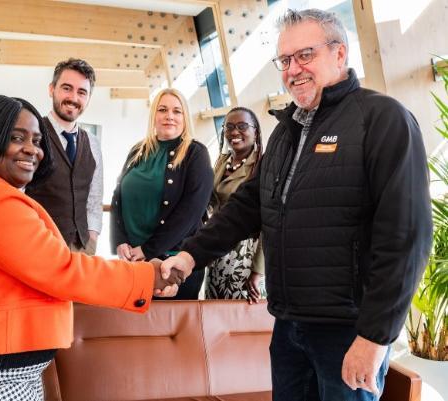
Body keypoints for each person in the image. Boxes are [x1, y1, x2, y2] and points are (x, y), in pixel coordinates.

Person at [161, 8, 432, 401]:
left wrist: (374, 338)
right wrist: (189, 256)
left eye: (305, 55)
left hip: (348, 330)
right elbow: (247, 206)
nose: (293, 69)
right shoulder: (288, 131)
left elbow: (407, 238)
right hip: (288, 325)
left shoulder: (383, 119)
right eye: (285, 60)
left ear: (340, 54)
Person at [0, 95, 180, 401]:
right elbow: (62, 269)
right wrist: (146, 276)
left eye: (37, 140)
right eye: (16, 138)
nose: (32, 150)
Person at [110, 88, 213, 300]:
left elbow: (191, 212)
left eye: (177, 111)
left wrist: (148, 249)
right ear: (154, 115)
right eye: (163, 109)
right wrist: (120, 241)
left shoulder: (196, 153)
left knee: (171, 328)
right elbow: (118, 196)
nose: (169, 116)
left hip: (174, 262)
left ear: (185, 117)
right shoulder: (138, 150)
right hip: (135, 261)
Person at [26, 58, 102, 255]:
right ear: (51, 89)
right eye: (67, 88)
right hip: (40, 246)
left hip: (82, 248)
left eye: (82, 92)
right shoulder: (32, 134)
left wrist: (92, 239)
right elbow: (17, 192)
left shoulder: (93, 143)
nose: (73, 98)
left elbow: (94, 198)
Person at [205, 107, 265, 302]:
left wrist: (258, 270)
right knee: (214, 314)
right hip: (216, 250)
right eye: (229, 126)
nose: (234, 132)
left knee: (240, 318)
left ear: (255, 131)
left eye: (242, 126)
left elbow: (269, 222)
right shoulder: (222, 162)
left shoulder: (262, 166)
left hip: (245, 255)